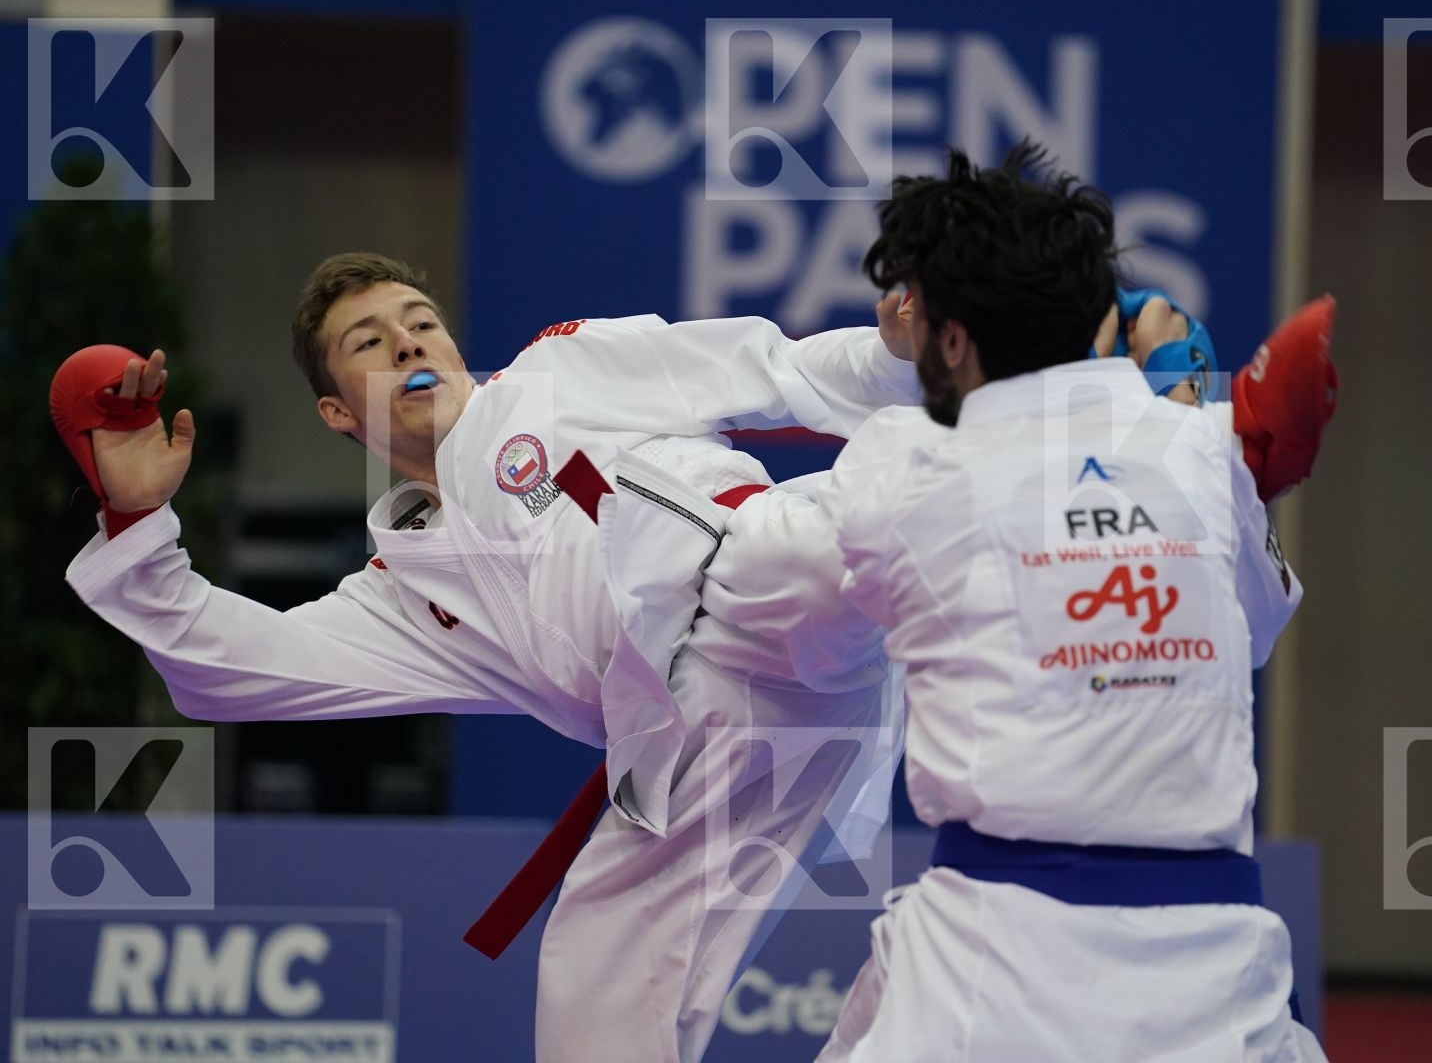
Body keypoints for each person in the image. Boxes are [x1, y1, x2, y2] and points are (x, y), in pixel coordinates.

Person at [53, 253, 925, 1062]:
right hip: (691, 754)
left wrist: (896, 358)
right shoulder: (408, 593)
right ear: (336, 412)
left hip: (755, 582)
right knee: (592, 1000)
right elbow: (228, 667)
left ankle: (1008, 458)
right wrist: (135, 524)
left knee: (870, 522)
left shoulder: (562, 372)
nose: (407, 341)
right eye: (369, 341)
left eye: (421, 322)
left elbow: (783, 371)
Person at [785, 144, 1333, 1061]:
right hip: (1218, 968)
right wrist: (1177, 403)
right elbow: (1253, 632)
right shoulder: (1200, 450)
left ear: (951, 337)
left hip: (993, 970)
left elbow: (827, 620)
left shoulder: (906, 464)